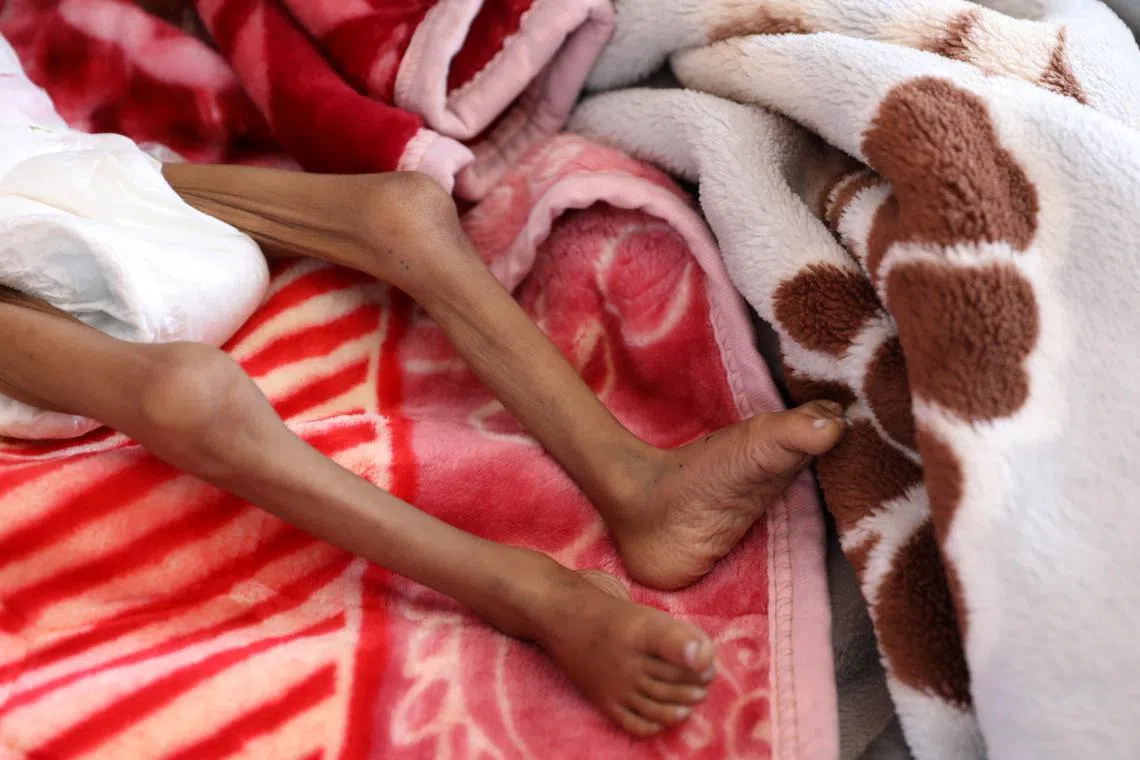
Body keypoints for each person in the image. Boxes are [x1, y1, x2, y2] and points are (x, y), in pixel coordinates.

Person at [0, 161, 846, 736]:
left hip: (71, 172)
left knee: (400, 209)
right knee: (185, 396)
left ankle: (638, 484)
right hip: (30, 281)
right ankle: (530, 593)